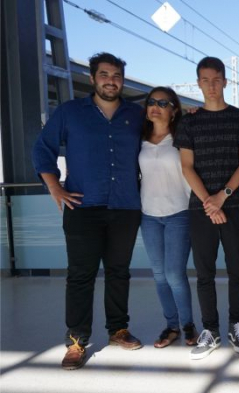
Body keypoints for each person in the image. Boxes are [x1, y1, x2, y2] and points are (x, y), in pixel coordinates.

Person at [32, 52, 143, 370]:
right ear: (93, 78)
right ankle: (77, 340)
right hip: (82, 206)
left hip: (125, 206)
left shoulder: (136, 115)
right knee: (81, 275)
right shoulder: (70, 112)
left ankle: (118, 330)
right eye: (105, 74)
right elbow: (42, 148)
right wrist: (54, 187)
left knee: (119, 272)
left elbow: (164, 133)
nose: (112, 80)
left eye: (117, 75)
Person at [175, 56, 239, 360]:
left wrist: (223, 196)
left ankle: (236, 325)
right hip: (200, 209)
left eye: (216, 79)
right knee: (204, 272)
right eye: (205, 80)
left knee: (236, 270)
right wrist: (210, 202)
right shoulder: (189, 121)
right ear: (198, 83)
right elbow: (187, 166)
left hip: (234, 206)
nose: (211, 85)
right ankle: (210, 330)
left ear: (225, 81)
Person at [139, 87, 198, 348]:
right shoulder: (138, 137)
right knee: (159, 275)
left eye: (163, 103)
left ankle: (188, 325)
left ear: (174, 109)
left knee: (174, 274)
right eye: (152, 102)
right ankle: (171, 325)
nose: (156, 106)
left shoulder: (182, 136)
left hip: (179, 213)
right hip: (149, 215)